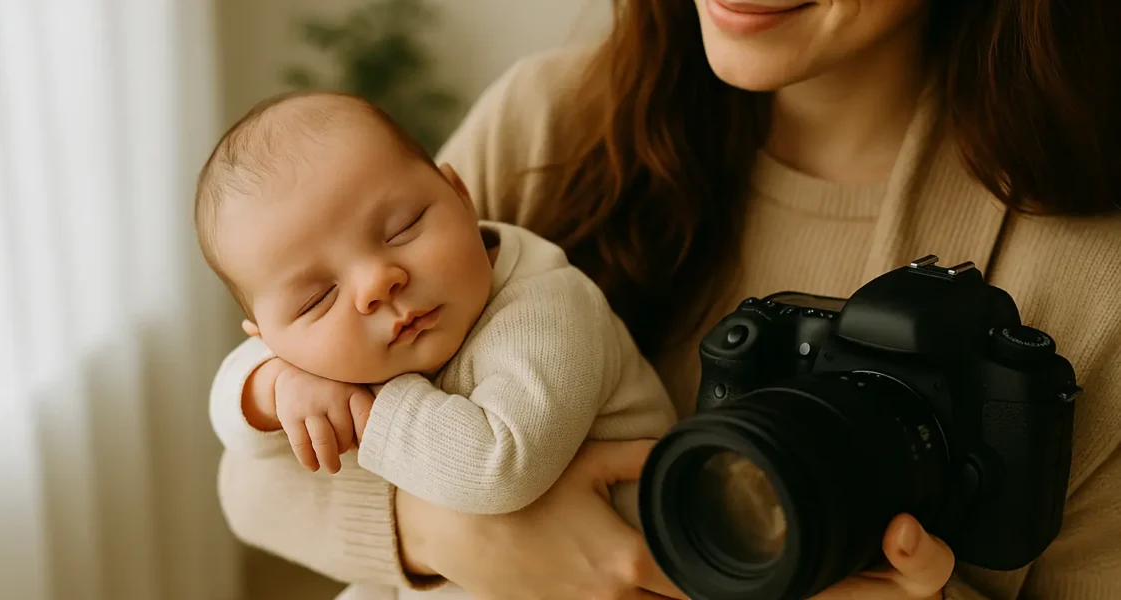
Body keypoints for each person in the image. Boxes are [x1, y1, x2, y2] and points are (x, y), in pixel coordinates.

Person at [211, 1, 1121, 599]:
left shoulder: (1091, 272)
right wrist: (466, 535)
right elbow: (254, 487)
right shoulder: (548, 121)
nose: (374, 283)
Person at [196, 91, 677, 566]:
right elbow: (239, 435)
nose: (376, 284)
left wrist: (367, 407)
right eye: (317, 298)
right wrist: (275, 385)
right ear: (264, 334)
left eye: (402, 229)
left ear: (460, 196)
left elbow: (501, 467)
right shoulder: (319, 353)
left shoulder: (548, 309)